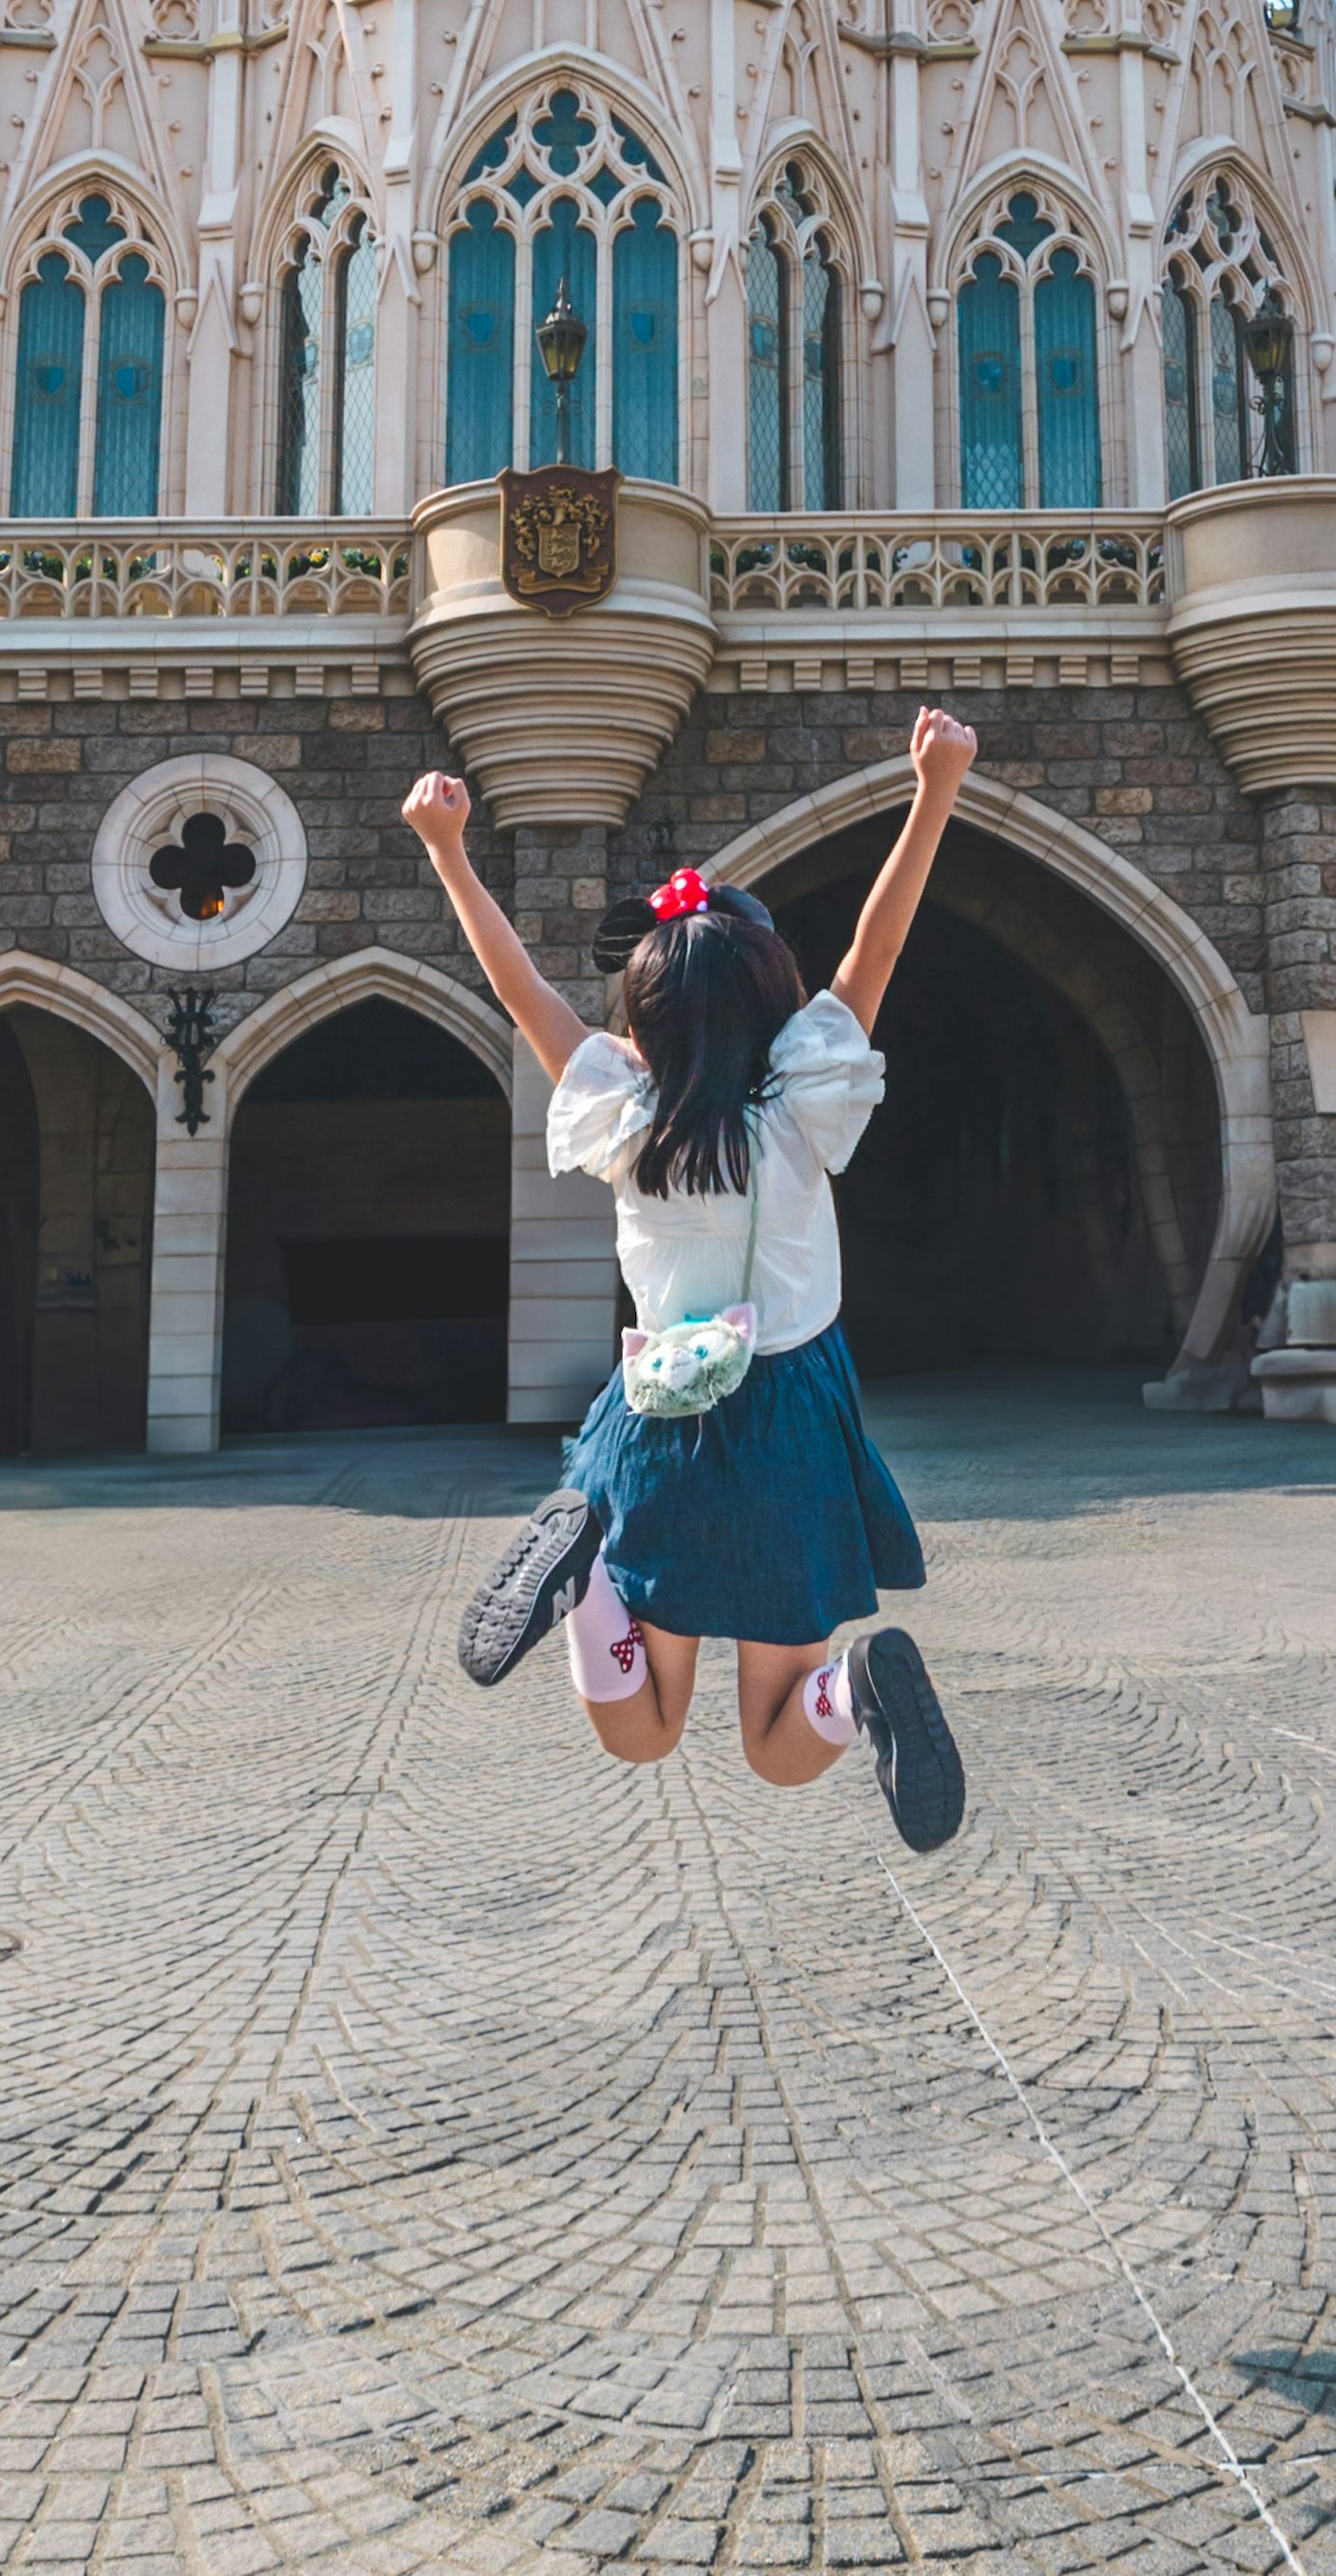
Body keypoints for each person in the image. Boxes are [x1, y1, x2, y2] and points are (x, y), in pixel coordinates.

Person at [399, 705, 976, 1854]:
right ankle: (852, 1688)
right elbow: (880, 947)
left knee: (644, 1732)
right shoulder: (803, 1102)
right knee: (777, 1742)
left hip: (660, 1412)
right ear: (774, 1001)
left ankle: (590, 1583)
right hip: (792, 1415)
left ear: (646, 1013)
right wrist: (935, 790)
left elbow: (528, 999)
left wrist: (449, 853)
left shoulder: (627, 1111)